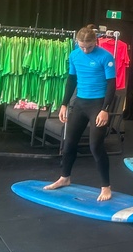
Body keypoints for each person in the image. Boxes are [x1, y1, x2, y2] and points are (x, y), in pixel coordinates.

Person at [45, 27, 116, 201]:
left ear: (95, 42)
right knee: (69, 143)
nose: (85, 50)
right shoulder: (74, 55)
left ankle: (106, 187)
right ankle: (65, 177)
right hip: (80, 103)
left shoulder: (106, 57)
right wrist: (63, 104)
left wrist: (105, 109)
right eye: (82, 46)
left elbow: (111, 85)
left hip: (98, 104)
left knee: (95, 146)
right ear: (77, 43)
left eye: (89, 47)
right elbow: (71, 80)